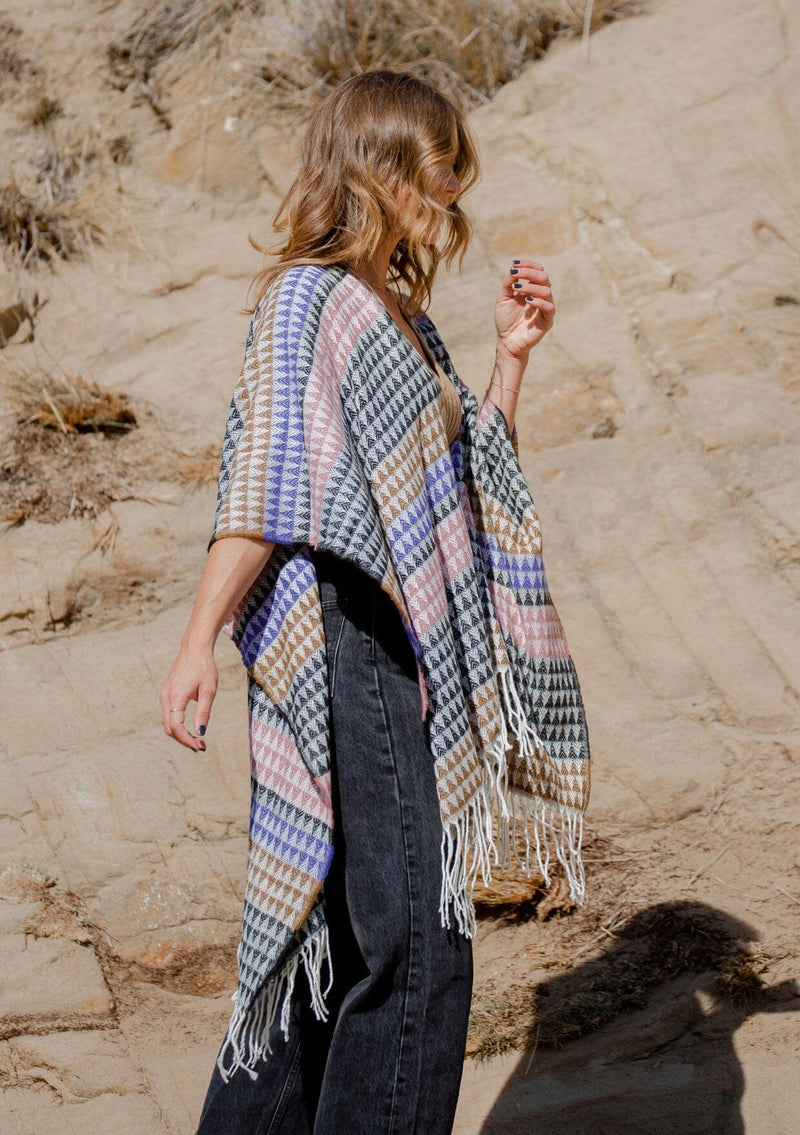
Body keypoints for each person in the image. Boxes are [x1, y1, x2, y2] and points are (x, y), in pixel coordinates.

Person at [160, 70, 590, 1135]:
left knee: (339, 945)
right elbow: (260, 487)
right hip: (353, 645)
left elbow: (448, 486)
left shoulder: (396, 313)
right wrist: (197, 640)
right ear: (382, 166)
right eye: (435, 165)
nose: (450, 188)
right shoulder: (311, 300)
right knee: (413, 948)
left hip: (401, 659)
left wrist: (505, 362)